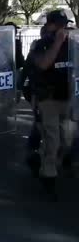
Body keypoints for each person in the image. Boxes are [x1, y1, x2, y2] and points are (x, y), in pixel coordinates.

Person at [29, 10, 76, 201]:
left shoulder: (72, 46)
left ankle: (47, 164)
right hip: (47, 99)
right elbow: (43, 64)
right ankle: (48, 178)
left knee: (68, 140)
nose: (63, 29)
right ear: (49, 25)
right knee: (52, 140)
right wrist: (57, 42)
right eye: (59, 25)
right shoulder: (40, 45)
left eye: (65, 25)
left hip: (67, 98)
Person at [18, 26, 46, 176]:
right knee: (40, 122)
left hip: (59, 95)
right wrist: (20, 88)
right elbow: (26, 70)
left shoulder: (67, 48)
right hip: (39, 93)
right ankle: (33, 152)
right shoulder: (37, 49)